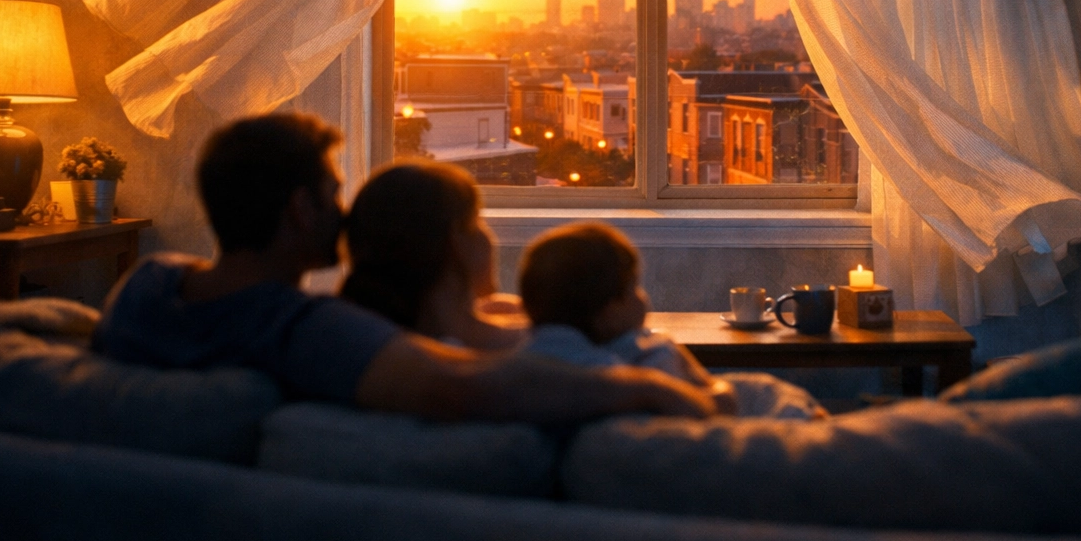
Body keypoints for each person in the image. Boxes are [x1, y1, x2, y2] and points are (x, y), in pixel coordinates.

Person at [93, 113, 715, 423]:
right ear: (301, 209)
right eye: (333, 195)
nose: (345, 214)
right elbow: (465, 385)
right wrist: (655, 389)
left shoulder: (148, 286)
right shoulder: (307, 329)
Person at [519, 222, 736, 412]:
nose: (643, 297)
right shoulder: (652, 356)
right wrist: (713, 384)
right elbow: (718, 404)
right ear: (612, 313)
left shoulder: (536, 360)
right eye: (635, 288)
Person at [338, 162, 525, 351]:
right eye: (478, 220)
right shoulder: (520, 349)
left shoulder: (360, 343)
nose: (490, 236)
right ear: (456, 237)